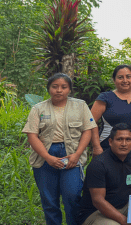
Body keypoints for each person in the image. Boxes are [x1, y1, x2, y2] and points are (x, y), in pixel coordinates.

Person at [22, 73, 96, 225]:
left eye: (63, 87)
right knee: (49, 200)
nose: (59, 90)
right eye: (54, 87)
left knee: (72, 196)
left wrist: (77, 154)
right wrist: (47, 157)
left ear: (69, 89)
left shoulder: (80, 106)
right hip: (45, 156)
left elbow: (87, 130)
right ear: (49, 88)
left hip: (72, 155)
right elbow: (32, 136)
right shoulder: (38, 108)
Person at [76, 123, 131, 225]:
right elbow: (98, 201)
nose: (124, 144)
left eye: (128, 139)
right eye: (119, 139)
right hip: (96, 212)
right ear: (110, 142)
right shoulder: (98, 164)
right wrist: (123, 220)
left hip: (125, 206)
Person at [90, 65, 131, 155]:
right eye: (120, 77)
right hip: (107, 148)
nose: (125, 81)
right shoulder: (105, 98)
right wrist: (96, 147)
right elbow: (91, 122)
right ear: (114, 80)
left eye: (128, 77)